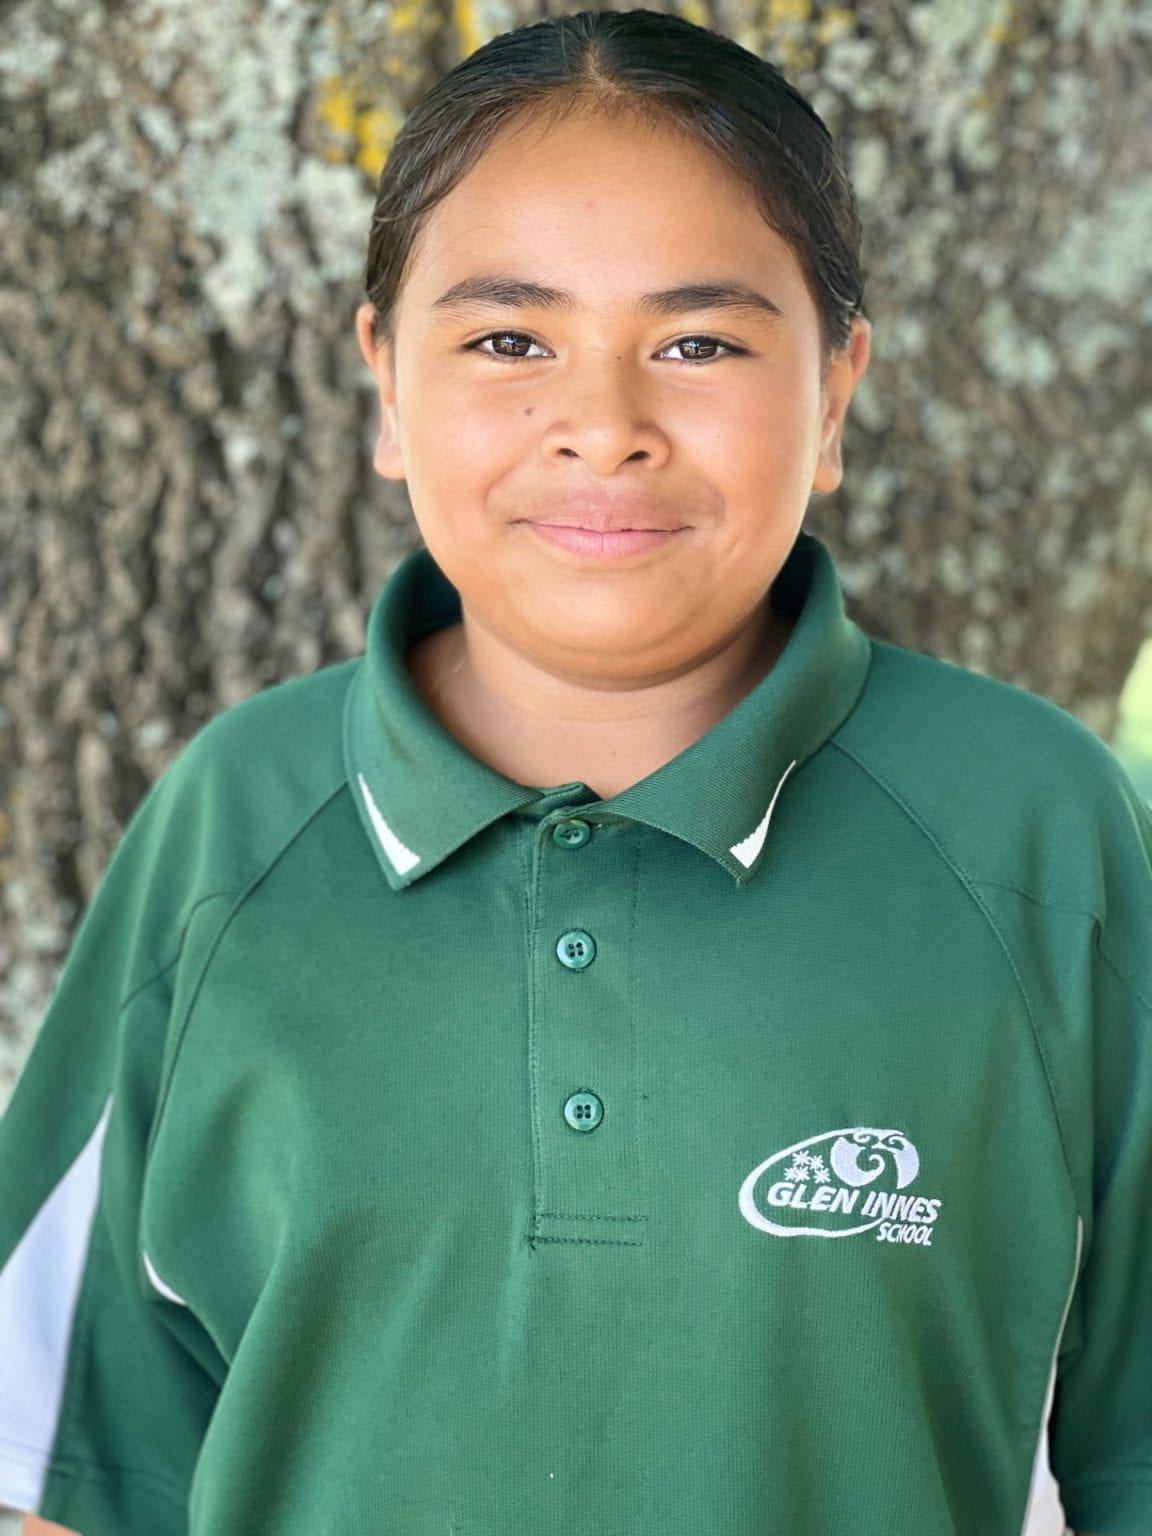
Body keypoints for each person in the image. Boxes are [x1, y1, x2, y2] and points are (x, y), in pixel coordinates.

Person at [1, 9, 1147, 1535]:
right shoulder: (237, 826)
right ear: (385, 384)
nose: (603, 428)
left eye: (697, 344)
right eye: (508, 342)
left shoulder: (1036, 829)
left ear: (838, 394)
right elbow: (69, 1466)